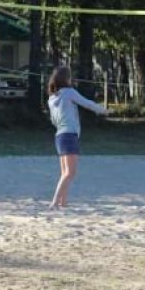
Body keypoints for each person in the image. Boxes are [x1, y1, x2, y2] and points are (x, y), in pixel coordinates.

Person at [47, 66, 108, 208]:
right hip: (69, 135)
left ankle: (63, 203)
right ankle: (55, 202)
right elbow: (86, 103)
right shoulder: (69, 92)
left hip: (60, 136)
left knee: (64, 172)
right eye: (69, 76)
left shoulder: (52, 98)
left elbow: (53, 120)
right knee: (70, 172)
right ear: (65, 79)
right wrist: (102, 110)